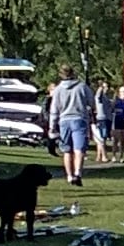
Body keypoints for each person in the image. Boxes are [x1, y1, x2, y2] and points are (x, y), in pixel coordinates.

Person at [50, 66, 91, 201]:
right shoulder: (81, 87)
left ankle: (69, 175)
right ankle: (78, 172)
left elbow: (54, 109)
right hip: (79, 118)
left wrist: (52, 127)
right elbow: (91, 101)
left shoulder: (58, 89)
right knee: (79, 149)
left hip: (64, 120)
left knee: (67, 150)